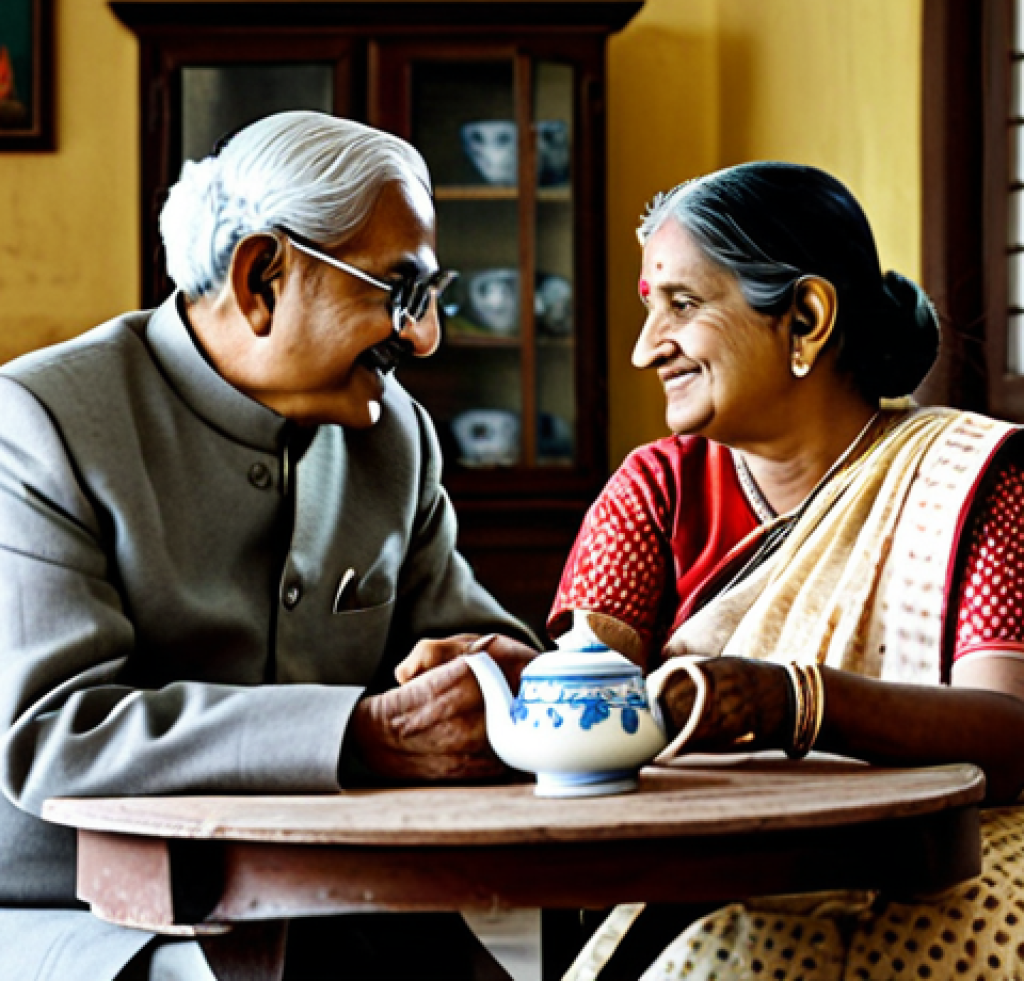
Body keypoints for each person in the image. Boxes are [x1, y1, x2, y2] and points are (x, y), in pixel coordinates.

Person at [0, 111, 539, 981]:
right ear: (262, 276)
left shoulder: (394, 436)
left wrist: (501, 678)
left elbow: (474, 643)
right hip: (87, 917)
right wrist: (359, 736)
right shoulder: (38, 423)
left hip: (340, 899)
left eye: (433, 295)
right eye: (399, 292)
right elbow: (53, 733)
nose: (428, 336)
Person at [547, 163, 1024, 980]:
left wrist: (794, 702)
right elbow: (584, 709)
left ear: (804, 316)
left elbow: (1010, 736)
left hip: (950, 853)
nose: (643, 347)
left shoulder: (972, 478)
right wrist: (502, 673)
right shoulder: (655, 490)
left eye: (682, 305)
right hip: (711, 861)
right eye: (648, 306)